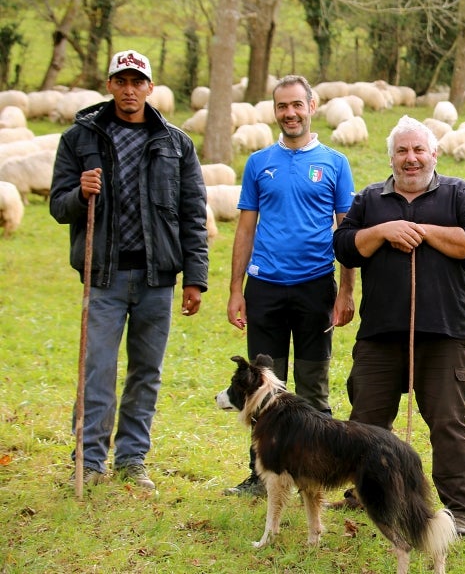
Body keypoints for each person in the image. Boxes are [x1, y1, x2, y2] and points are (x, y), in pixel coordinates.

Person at [50, 49, 209, 490]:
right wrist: (80, 195)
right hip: (104, 276)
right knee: (97, 367)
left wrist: (195, 278)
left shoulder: (175, 142)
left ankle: (132, 458)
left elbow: (192, 213)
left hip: (158, 278)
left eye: (137, 82)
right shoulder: (80, 139)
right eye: (121, 81)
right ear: (109, 86)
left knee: (146, 371)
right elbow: (57, 208)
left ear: (150, 88)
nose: (129, 90)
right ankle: (90, 460)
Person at [332, 115, 465, 536]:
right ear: (392, 157)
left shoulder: (457, 193)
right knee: (365, 421)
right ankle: (365, 493)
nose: (411, 158)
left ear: (434, 154)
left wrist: (421, 230)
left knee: (447, 422)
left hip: (442, 332)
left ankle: (460, 509)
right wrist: (383, 229)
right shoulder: (369, 199)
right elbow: (345, 247)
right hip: (380, 334)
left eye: (419, 150)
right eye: (402, 151)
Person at [225, 74, 356, 497]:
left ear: (312, 106)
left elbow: (347, 233)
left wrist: (346, 290)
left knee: (313, 384)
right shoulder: (258, 162)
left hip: (316, 287)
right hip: (264, 289)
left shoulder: (335, 163)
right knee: (262, 387)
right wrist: (235, 289)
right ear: (275, 111)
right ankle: (260, 476)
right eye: (282, 106)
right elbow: (245, 230)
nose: (290, 113)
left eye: (297, 105)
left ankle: (314, 474)